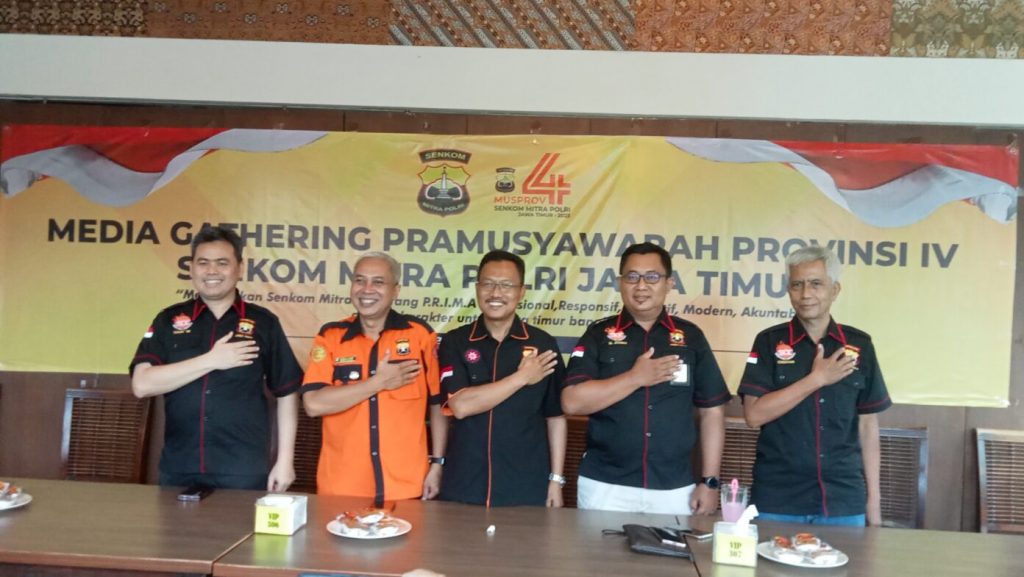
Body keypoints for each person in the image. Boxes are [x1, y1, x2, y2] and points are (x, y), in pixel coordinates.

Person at [562, 242, 730, 514]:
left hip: (674, 488)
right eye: (632, 277)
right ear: (620, 283)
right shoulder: (598, 335)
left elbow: (712, 411)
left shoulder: (691, 337)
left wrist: (710, 482)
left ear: (669, 283)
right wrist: (635, 378)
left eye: (652, 277)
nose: (641, 286)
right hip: (605, 485)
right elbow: (571, 402)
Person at [131, 225, 301, 491]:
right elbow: (142, 385)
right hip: (179, 465)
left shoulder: (264, 322)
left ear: (240, 268)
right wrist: (212, 360)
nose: (212, 271)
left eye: (222, 263)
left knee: (241, 522)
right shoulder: (169, 320)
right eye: (203, 263)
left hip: (243, 468)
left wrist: (285, 461)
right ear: (191, 269)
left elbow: (287, 392)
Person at [739, 245, 891, 526]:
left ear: (835, 290)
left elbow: (868, 426)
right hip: (778, 497)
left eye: (816, 284)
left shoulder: (859, 345)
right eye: (797, 285)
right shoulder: (769, 341)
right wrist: (816, 379)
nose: (806, 294)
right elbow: (754, 415)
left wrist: (874, 501)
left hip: (843, 499)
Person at [302, 252, 447, 502]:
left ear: (395, 290)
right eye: (360, 280)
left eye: (378, 282)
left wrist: (437, 463)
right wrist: (377, 383)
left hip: (405, 487)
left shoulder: (419, 335)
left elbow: (438, 404)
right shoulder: (331, 336)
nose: (367, 289)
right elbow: (313, 404)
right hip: (342, 487)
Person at [438, 250, 567, 507]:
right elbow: (460, 406)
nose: (496, 293)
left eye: (507, 285)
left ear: (522, 292)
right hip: (464, 482)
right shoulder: (455, 341)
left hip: (526, 483)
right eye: (488, 284)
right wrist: (521, 377)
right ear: (477, 288)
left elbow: (555, 417)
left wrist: (556, 480)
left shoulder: (542, 344)